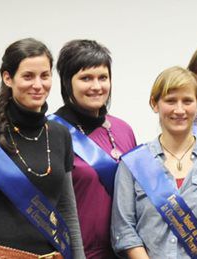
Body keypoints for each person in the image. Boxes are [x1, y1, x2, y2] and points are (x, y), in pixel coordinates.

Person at [0, 38, 84, 259]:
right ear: (7, 78)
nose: (38, 85)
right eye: (28, 76)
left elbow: (68, 211)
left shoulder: (60, 134)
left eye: (44, 75)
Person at [110, 66, 197, 259]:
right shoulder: (132, 164)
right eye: (170, 101)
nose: (179, 110)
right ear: (155, 104)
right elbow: (124, 230)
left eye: (187, 101)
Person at [48, 39, 136, 259]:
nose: (97, 86)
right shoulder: (50, 132)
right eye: (86, 78)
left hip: (122, 252)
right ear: (68, 82)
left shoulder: (123, 129)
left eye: (103, 78)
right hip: (72, 252)